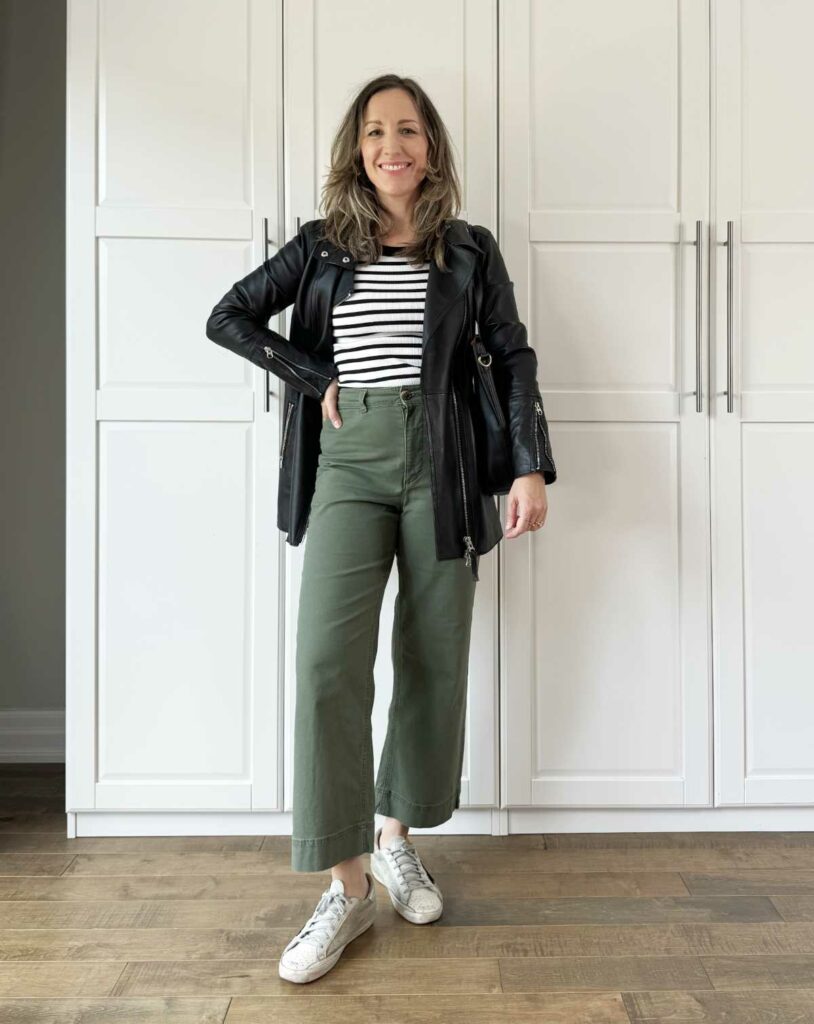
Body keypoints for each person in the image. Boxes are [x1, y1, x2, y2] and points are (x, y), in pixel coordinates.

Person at [206, 73, 556, 985]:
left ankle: (396, 836)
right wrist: (313, 376)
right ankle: (348, 887)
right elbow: (229, 315)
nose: (390, 145)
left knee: (432, 653)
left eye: (406, 130)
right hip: (350, 457)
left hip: (441, 461)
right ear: (356, 150)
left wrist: (526, 463)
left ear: (430, 146)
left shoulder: (470, 251)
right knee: (327, 661)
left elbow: (513, 356)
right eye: (373, 132)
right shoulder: (323, 246)